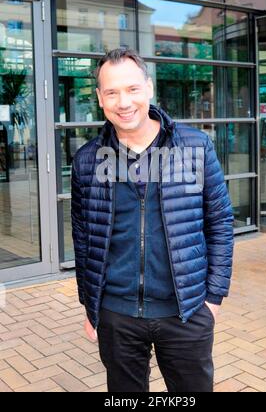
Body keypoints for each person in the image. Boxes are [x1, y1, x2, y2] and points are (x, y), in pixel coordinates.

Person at [71, 48, 234, 393]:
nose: (123, 102)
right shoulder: (88, 160)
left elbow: (219, 223)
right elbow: (83, 238)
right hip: (117, 314)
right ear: (100, 98)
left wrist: (213, 299)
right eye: (112, 92)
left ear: (148, 88)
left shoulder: (195, 146)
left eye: (131, 89)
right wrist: (91, 307)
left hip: (186, 309)